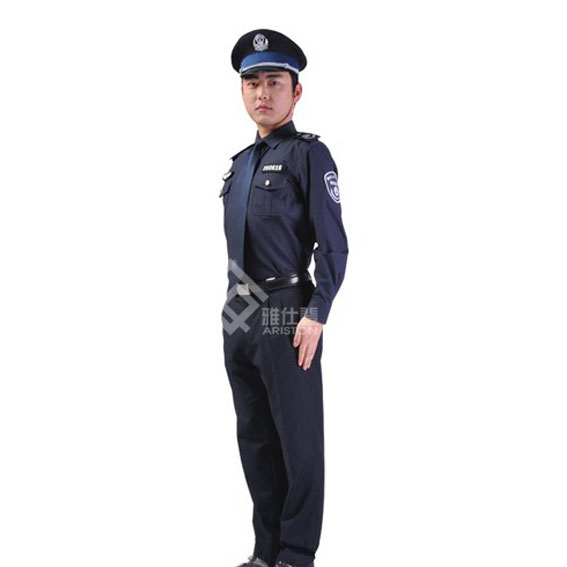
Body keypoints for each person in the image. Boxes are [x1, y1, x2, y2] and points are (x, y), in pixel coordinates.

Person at [220, 29, 349, 567]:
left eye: (274, 82)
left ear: (296, 92)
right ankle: (265, 551)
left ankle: (296, 555)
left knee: (297, 441)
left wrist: (316, 313)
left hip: (286, 308)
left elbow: (333, 243)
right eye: (252, 82)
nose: (262, 93)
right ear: (242, 91)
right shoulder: (239, 164)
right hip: (239, 310)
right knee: (255, 440)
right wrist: (231, 315)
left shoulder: (307, 155)